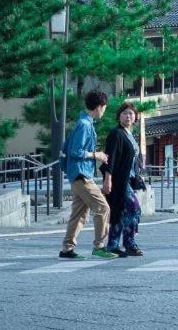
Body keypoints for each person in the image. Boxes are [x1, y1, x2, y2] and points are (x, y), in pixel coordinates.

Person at [59, 90, 117, 260]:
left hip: (77, 174)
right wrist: (96, 155)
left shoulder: (85, 122)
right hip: (81, 174)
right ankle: (99, 246)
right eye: (104, 107)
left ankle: (67, 248)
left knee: (79, 213)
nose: (104, 110)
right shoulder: (84, 124)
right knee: (102, 207)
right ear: (99, 107)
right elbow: (76, 151)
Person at [100, 101, 144, 257]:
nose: (128, 116)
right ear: (118, 117)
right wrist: (107, 179)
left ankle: (113, 245)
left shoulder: (130, 134)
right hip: (119, 180)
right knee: (134, 208)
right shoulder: (116, 133)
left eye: (131, 113)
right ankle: (129, 242)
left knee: (121, 212)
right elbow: (109, 158)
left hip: (128, 180)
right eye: (124, 113)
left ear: (135, 117)